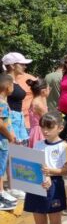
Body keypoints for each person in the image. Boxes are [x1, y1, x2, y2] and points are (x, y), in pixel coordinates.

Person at [24, 111, 67, 224]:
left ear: (60, 127)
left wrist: (50, 172)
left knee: (55, 223)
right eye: (43, 127)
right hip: (38, 186)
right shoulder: (38, 144)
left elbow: (66, 169)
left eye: (49, 127)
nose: (45, 130)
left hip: (54, 186)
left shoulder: (64, 146)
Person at [0, 75, 16, 210]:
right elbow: (0, 123)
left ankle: (1, 193)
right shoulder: (2, 103)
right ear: (7, 87)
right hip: (2, 141)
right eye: (12, 85)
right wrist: (10, 136)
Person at [26, 78, 49, 148]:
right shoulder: (39, 105)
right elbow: (48, 120)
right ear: (43, 91)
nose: (49, 90)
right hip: (40, 132)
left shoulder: (36, 101)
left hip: (34, 131)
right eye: (48, 89)